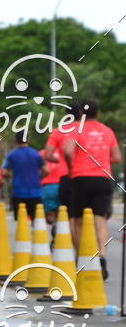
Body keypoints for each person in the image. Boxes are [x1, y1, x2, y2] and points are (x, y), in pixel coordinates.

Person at [64, 98, 121, 279]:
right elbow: (117, 157)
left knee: (77, 220)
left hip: (81, 177)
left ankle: (81, 257)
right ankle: (101, 256)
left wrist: (72, 166)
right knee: (100, 220)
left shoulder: (76, 129)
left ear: (81, 113)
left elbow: (67, 150)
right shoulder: (108, 131)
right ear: (98, 112)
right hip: (103, 178)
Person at [44, 102, 82, 242]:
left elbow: (47, 155)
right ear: (80, 114)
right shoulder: (85, 130)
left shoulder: (58, 131)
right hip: (83, 176)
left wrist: (60, 160)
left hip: (65, 177)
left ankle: (75, 249)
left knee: (70, 215)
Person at [2, 134, 48, 220]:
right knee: (37, 220)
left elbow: (4, 172)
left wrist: (11, 176)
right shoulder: (36, 154)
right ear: (28, 140)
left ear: (15, 140)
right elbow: (47, 170)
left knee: (20, 220)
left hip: (19, 193)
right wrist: (39, 177)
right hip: (36, 192)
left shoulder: (12, 155)